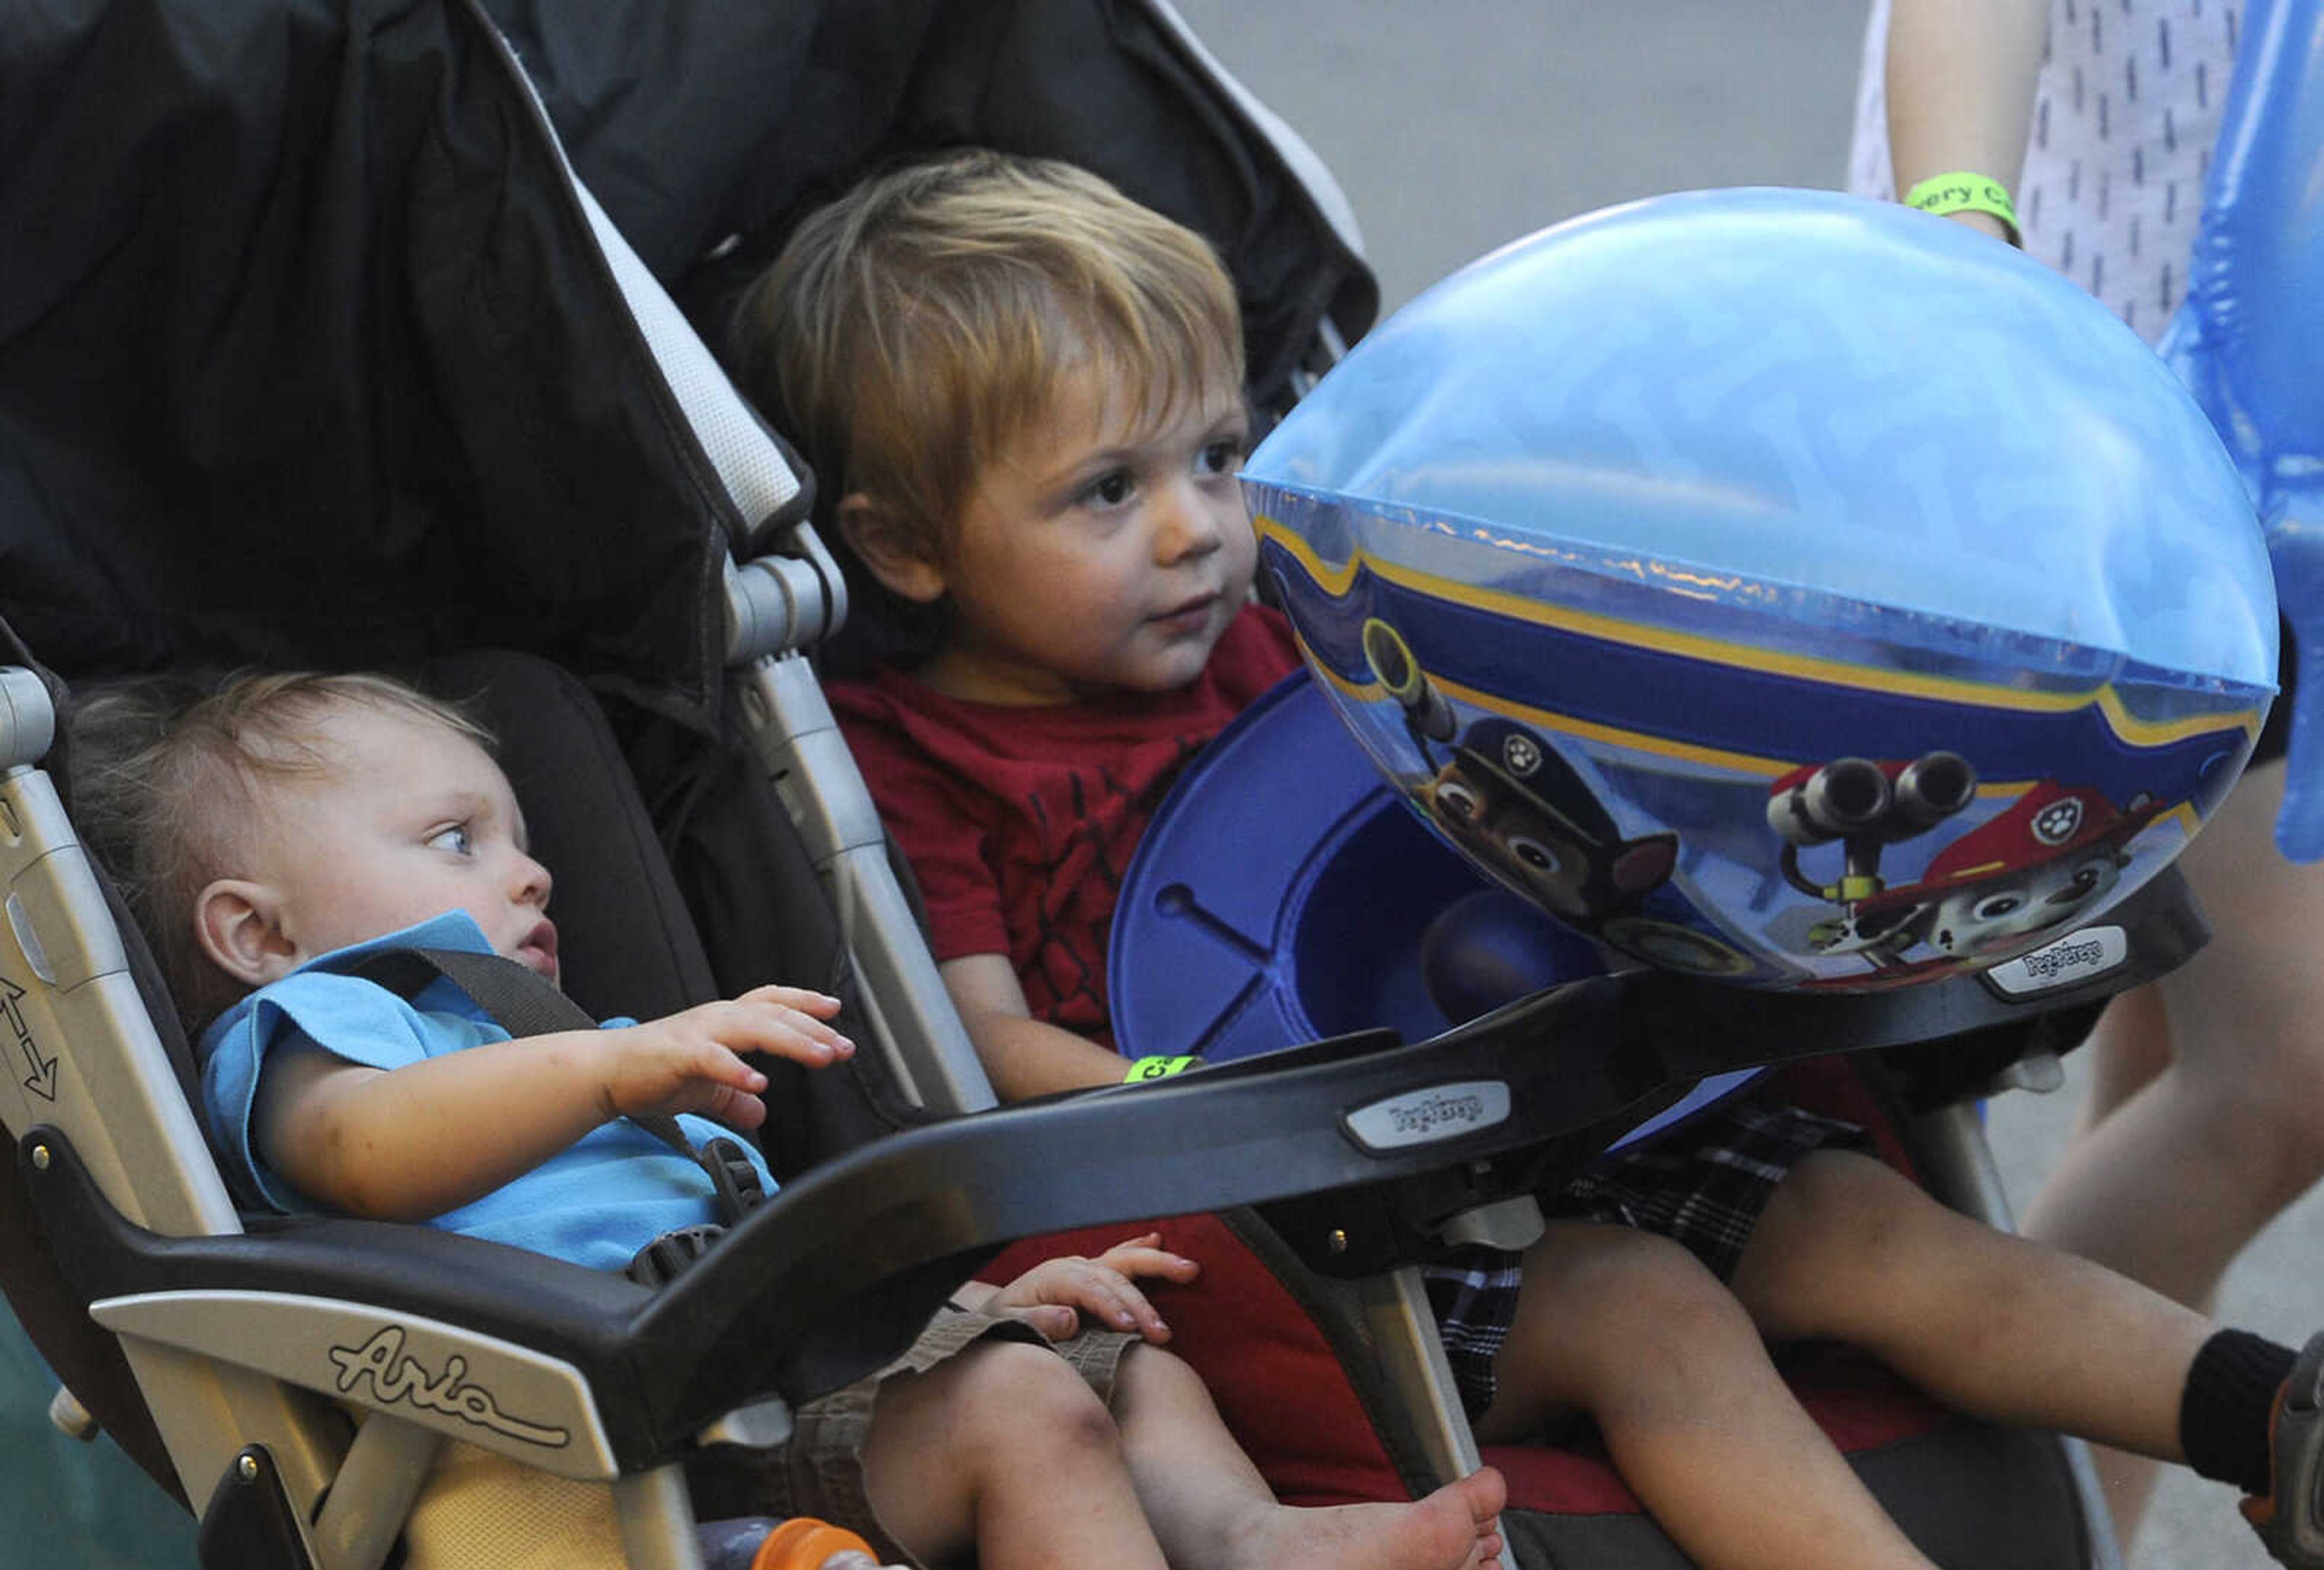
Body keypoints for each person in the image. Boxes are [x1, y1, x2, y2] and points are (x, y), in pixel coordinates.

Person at [728, 144, 2324, 1569]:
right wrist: (1227, 1112)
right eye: (1105, 491)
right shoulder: (925, 768)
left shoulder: (1304, 635)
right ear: (904, 545)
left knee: (1861, 1221)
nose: (1193, 530)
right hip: (1258, 1207)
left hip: (1536, 1096)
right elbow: (989, 1044)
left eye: (1218, 457)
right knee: (1651, 1310)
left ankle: (2276, 1425)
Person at [66, 669, 1509, 1570]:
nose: (530, 874)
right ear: (257, 933)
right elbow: (367, 1158)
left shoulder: (604, 1053)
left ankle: (1250, 1539)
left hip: (781, 1369)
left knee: (1114, 1360)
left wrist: (987, 1298)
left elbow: (772, 1255)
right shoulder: (319, 1034)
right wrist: (613, 1074)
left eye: (520, 834)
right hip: (615, 1432)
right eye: (457, 841)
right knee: (1025, 1412)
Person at [1850, 0, 2324, 1545]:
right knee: (2284, 1072)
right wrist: (1961, 245)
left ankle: (2060, 1534)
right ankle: (1971, 1524)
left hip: (2287, 415)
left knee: (2173, 1039)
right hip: (2100, 413)